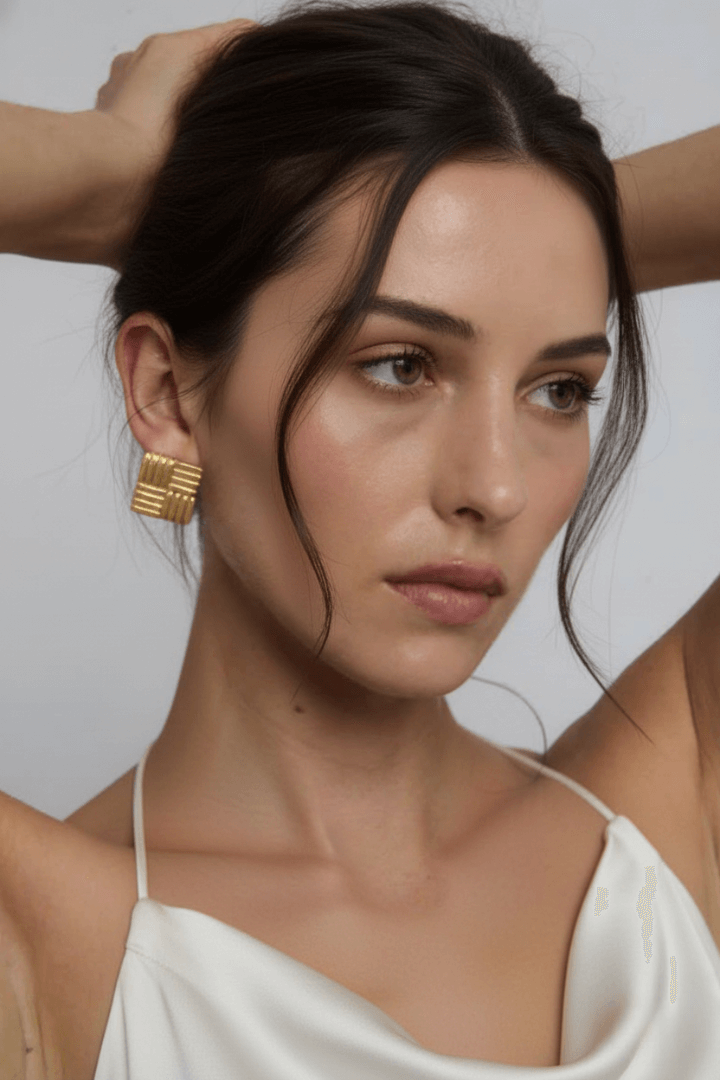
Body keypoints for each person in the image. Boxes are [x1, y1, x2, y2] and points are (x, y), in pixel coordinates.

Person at [1, 3, 719, 1077]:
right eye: (399, 366)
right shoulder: (39, 943)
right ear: (167, 394)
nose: (495, 486)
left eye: (559, 389)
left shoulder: (672, 830)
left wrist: (559, 226)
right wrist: (102, 171)